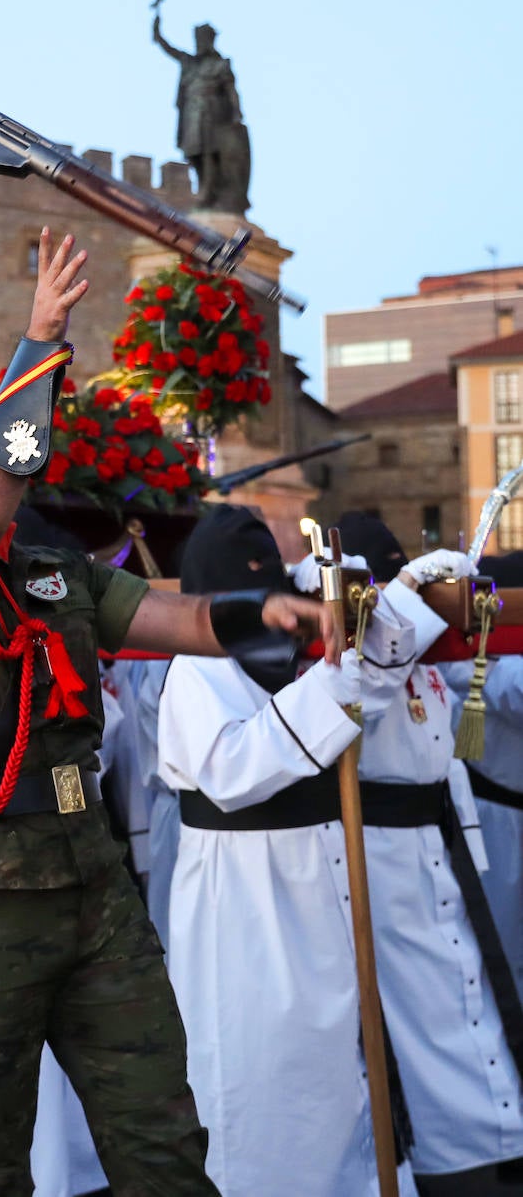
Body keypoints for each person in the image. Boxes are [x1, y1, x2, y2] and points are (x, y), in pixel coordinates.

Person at [0, 226, 337, 1197]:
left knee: (162, 1148)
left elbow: (173, 618)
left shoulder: (47, 571)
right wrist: (36, 346)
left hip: (92, 890)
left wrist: (269, 612)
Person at [158, 505, 421, 1197]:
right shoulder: (195, 669)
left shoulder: (297, 658)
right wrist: (334, 685)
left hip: (318, 878)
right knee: (258, 1065)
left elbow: (374, 689)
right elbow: (234, 773)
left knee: (333, 1057)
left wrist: (373, 612)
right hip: (244, 898)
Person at [335, 512, 523, 1195]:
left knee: (470, 986)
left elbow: (447, 754)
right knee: (410, 1009)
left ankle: (494, 1134)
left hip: (439, 840)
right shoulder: (355, 651)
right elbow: (358, 706)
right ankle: (437, 1151)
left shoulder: (430, 660)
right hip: (379, 850)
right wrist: (407, 596)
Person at [439, 552, 523, 1002]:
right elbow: (513, 691)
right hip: (494, 819)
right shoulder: (466, 659)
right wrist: (486, 662)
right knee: (503, 944)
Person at [152, 13, 251, 214]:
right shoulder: (190, 63)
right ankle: (203, 189)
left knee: (210, 153)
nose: (199, 43)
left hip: (213, 114)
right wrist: (157, 29)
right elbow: (168, 48)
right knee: (194, 154)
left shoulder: (220, 65)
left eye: (202, 39)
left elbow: (231, 91)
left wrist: (236, 112)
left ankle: (208, 193)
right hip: (192, 115)